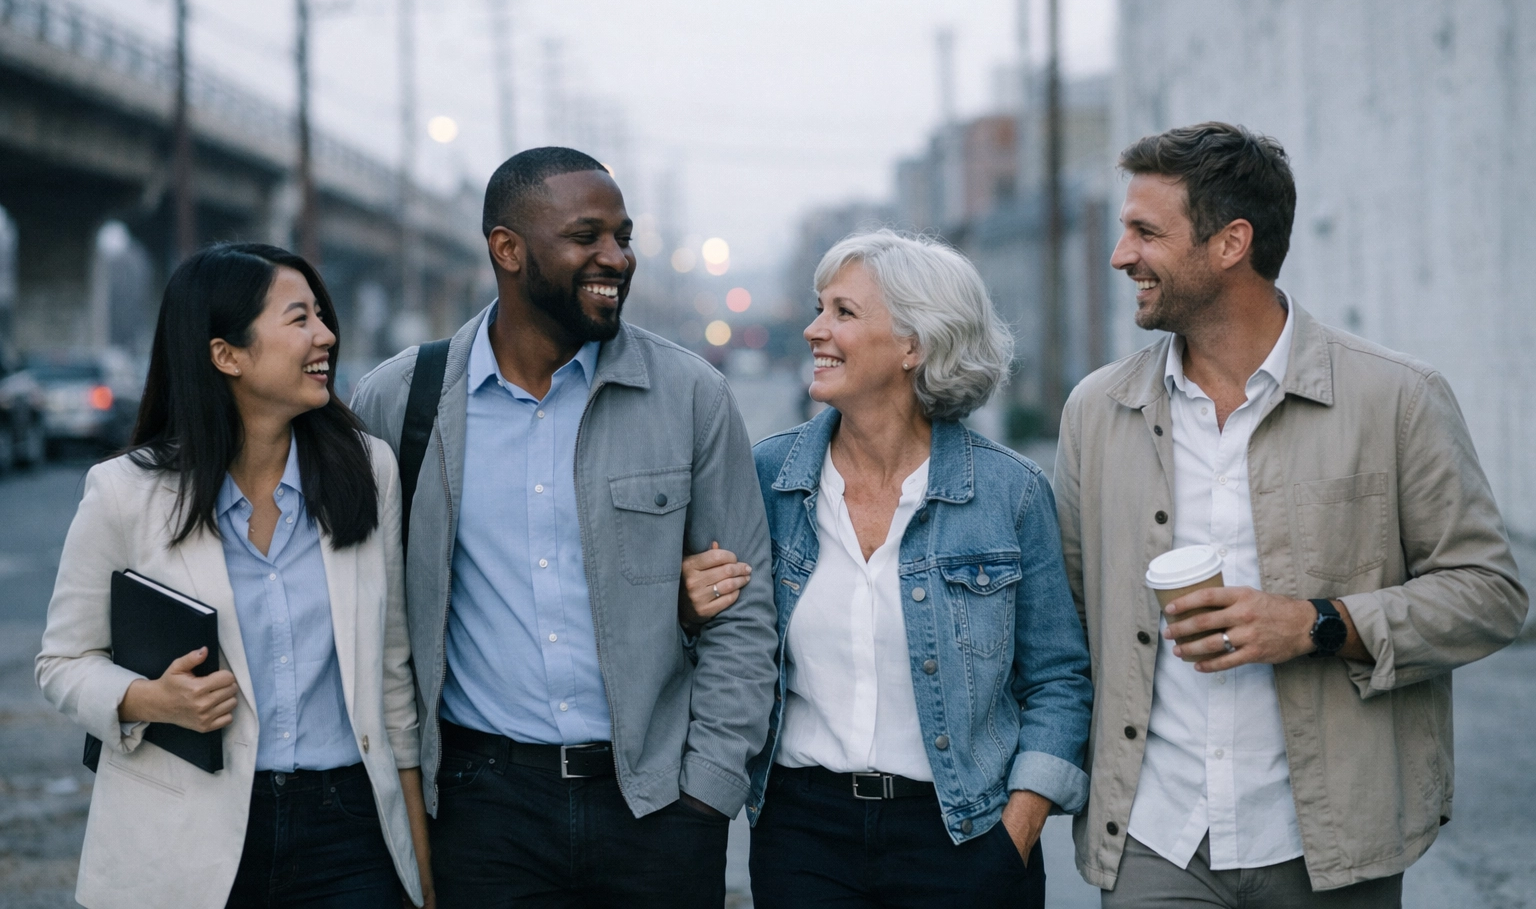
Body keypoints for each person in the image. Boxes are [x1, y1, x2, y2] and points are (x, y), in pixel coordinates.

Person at [1054, 122, 1530, 907]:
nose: (1121, 255)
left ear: (1231, 242)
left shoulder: (1396, 398)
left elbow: (1491, 596)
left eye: (1145, 231)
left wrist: (1317, 623)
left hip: (1332, 842)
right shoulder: (1098, 412)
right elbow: (1070, 621)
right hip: (1156, 838)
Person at [349, 146, 779, 908]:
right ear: (507, 250)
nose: (615, 257)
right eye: (587, 237)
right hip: (483, 813)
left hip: (656, 808)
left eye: (624, 236)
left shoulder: (689, 396)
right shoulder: (401, 402)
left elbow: (744, 608)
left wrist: (708, 791)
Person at [682, 230, 1094, 909]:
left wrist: (1015, 834)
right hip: (805, 835)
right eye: (820, 308)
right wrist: (690, 609)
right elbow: (722, 650)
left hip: (966, 835)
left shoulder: (1010, 493)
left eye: (843, 312)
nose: (815, 330)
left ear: (915, 344)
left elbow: (1059, 679)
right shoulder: (767, 478)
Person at [36, 243, 433, 909]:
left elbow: (393, 679)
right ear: (227, 355)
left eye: (322, 316)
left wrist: (419, 863)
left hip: (348, 830)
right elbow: (62, 662)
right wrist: (146, 700)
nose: (326, 336)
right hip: (185, 830)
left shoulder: (368, 470)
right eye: (299, 318)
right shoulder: (123, 494)